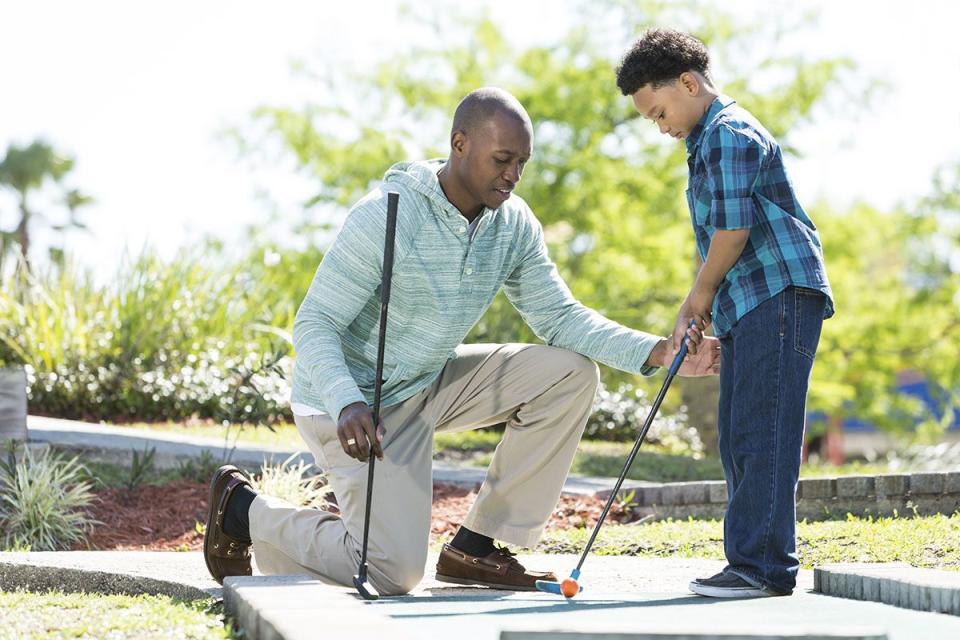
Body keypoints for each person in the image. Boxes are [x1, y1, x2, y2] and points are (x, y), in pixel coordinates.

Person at [202, 87, 720, 595]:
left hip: (429, 380)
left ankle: (477, 545)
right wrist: (347, 400)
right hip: (354, 406)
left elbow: (559, 317)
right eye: (502, 159)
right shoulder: (386, 215)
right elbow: (315, 323)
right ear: (459, 144)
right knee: (391, 574)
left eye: (522, 162)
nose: (513, 175)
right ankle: (245, 511)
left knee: (569, 374)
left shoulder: (513, 224)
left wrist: (658, 351)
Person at [616, 29, 834, 598]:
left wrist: (698, 297)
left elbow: (733, 232)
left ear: (689, 84)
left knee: (763, 430)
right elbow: (716, 234)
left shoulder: (728, 134)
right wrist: (706, 305)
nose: (660, 126)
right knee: (739, 432)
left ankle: (763, 568)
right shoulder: (703, 143)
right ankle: (749, 561)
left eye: (659, 111)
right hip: (750, 300)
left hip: (778, 294)